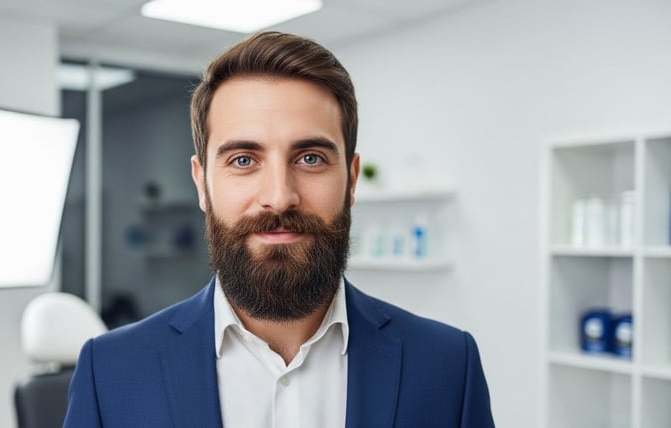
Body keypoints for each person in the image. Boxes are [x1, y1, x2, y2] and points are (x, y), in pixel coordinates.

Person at [64, 31, 494, 428]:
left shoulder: (447, 367)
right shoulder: (111, 372)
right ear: (202, 184)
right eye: (243, 160)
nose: (279, 196)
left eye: (310, 158)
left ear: (351, 180)